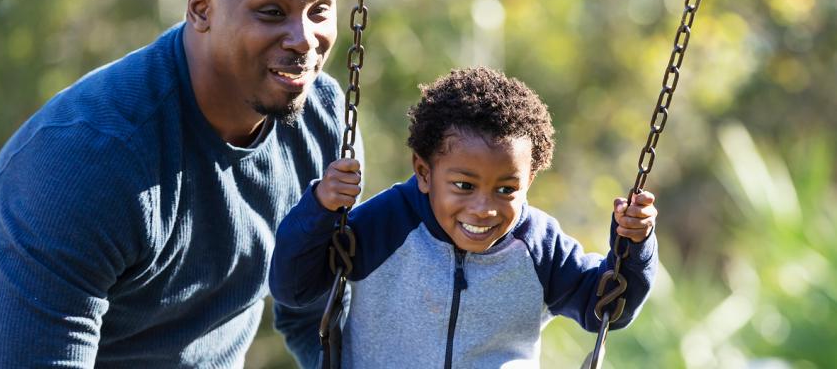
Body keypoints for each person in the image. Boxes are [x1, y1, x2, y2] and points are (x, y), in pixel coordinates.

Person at [0, 0, 359, 368]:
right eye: (272, 11)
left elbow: (312, 313)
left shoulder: (322, 122)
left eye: (320, 11)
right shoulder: (88, 158)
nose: (304, 39)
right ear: (201, 8)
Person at [270, 67, 658, 367]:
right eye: (464, 186)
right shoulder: (387, 225)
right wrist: (320, 208)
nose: (484, 208)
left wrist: (634, 243)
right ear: (424, 172)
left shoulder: (539, 247)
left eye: (506, 189)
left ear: (529, 180)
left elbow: (605, 306)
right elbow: (294, 288)